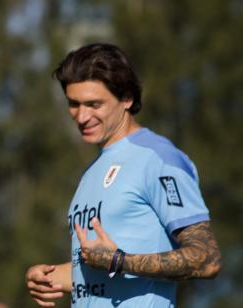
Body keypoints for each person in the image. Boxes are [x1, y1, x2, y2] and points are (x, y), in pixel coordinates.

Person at [25, 43, 221, 307]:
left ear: (127, 98)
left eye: (94, 104)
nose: (81, 116)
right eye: (74, 104)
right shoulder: (90, 171)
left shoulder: (158, 158)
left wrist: (119, 261)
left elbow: (207, 259)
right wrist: (49, 276)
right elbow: (99, 270)